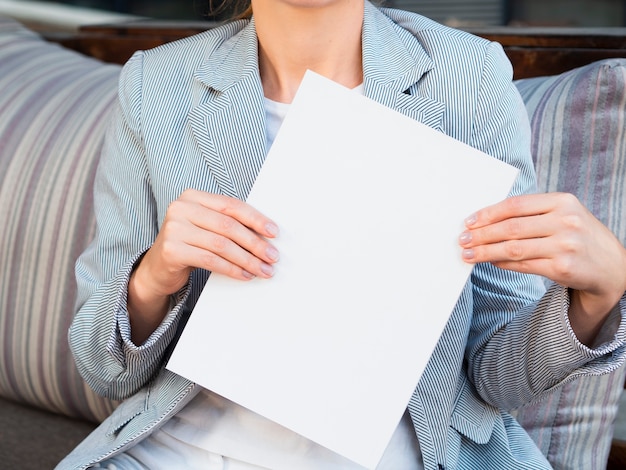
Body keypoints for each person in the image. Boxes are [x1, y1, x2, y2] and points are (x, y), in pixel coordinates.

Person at [57, 0, 626, 468]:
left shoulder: (468, 77)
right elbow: (102, 368)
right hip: (178, 449)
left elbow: (495, 377)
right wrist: (155, 276)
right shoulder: (155, 86)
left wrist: (602, 294)